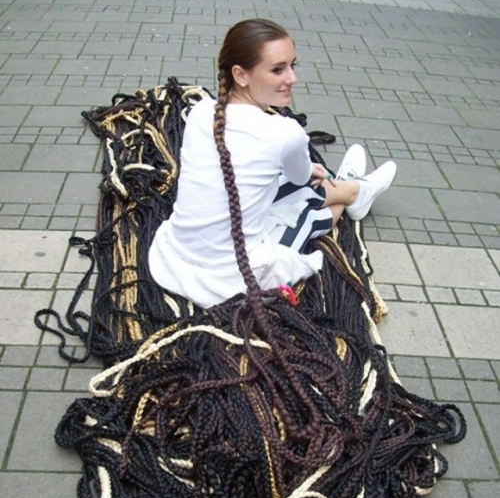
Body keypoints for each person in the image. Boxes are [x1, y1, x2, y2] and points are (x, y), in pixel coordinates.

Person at [149, 18, 396, 309]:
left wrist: (306, 171)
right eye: (278, 69)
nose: (292, 78)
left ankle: (355, 189)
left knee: (298, 185)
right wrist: (307, 170)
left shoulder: (202, 111)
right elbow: (300, 178)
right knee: (309, 209)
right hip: (231, 275)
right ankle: (354, 193)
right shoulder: (285, 132)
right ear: (240, 74)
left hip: (177, 253)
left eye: (293, 65)